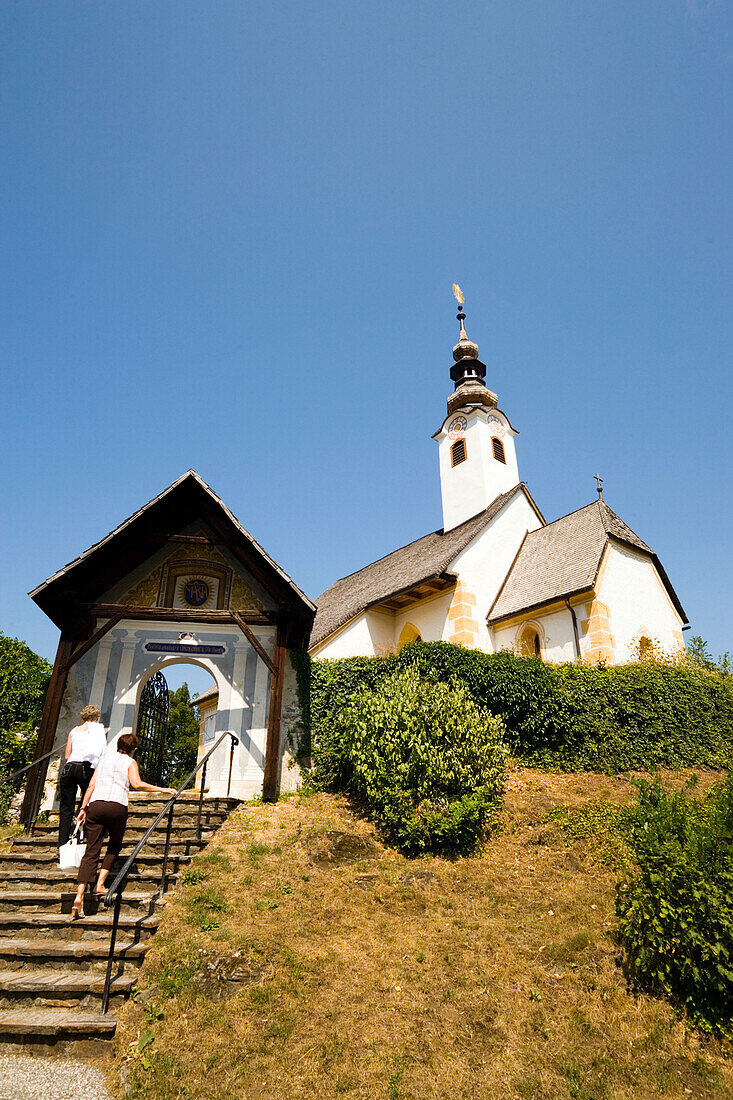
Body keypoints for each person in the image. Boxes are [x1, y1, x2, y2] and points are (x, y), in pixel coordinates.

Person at [70, 732, 175, 919]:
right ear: (133, 750)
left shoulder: (104, 761)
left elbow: (91, 786)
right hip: (116, 806)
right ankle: (100, 885)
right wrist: (163, 789)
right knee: (114, 845)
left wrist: (83, 808)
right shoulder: (130, 762)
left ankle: (79, 896)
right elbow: (136, 784)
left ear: (117, 745)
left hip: (95, 805)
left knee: (91, 851)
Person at [58, 705, 107, 848]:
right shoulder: (97, 729)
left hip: (69, 767)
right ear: (96, 717)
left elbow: (67, 755)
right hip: (85, 767)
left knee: (66, 807)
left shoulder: (73, 731)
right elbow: (100, 750)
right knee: (87, 803)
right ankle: (85, 835)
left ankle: (62, 843)